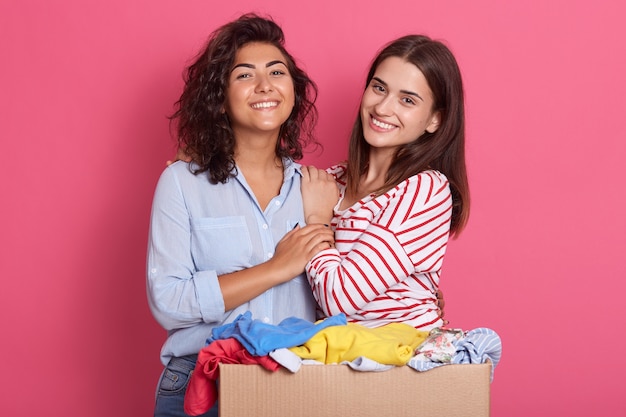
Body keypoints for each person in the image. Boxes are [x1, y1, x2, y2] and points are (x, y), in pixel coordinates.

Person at [146, 14, 334, 417]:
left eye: (277, 72)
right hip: (202, 383)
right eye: (244, 75)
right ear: (220, 96)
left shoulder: (320, 190)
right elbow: (168, 301)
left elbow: (344, 295)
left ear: (294, 92)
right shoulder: (182, 183)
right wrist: (277, 268)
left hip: (295, 382)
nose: (265, 85)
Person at [301, 34, 468, 330]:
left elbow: (337, 298)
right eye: (379, 88)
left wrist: (317, 219)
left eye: (407, 100)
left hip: (400, 369)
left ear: (435, 120)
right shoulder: (332, 181)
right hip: (337, 364)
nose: (383, 108)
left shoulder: (425, 190)